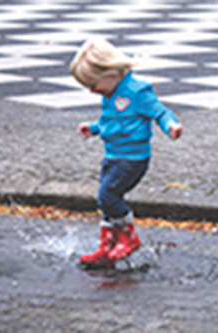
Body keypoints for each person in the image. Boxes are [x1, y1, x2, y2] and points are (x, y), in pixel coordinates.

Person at [70, 38, 183, 268]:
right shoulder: (110, 93)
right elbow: (111, 122)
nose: (92, 91)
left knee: (107, 196)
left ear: (111, 72)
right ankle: (107, 245)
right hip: (112, 156)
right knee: (106, 201)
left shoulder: (137, 91)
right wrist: (93, 128)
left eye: (93, 84)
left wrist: (171, 126)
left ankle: (129, 239)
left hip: (132, 159)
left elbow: (160, 112)